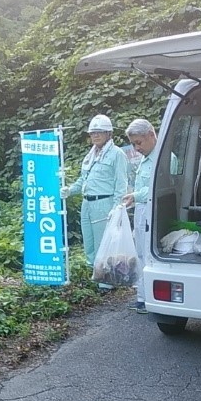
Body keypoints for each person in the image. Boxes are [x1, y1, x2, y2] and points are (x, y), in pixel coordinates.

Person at [60, 114, 128, 287]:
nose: (95, 136)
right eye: (92, 133)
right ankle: (95, 274)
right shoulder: (90, 155)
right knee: (88, 242)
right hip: (87, 203)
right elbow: (84, 180)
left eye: (100, 132)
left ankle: (106, 282)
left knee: (103, 242)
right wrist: (70, 190)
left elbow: (121, 184)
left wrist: (117, 207)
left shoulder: (116, 154)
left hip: (104, 203)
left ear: (109, 133)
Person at [122, 118, 158, 313]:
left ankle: (147, 299)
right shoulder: (146, 158)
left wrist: (136, 195)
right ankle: (142, 297)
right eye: (134, 144)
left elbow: (155, 188)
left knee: (148, 254)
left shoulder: (163, 157)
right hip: (141, 211)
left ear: (151, 135)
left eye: (139, 143)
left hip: (152, 212)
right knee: (141, 253)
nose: (136, 148)